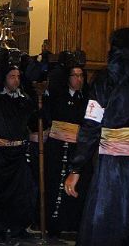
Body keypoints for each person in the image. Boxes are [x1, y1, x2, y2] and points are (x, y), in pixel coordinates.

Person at [65, 28, 129, 246]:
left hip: (114, 166)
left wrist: (76, 168)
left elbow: (91, 126)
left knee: (110, 218)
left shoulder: (106, 79)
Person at [0, 65, 37, 242]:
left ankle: (18, 227)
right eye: (12, 76)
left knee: (21, 192)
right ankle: (0, 228)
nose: (16, 80)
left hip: (17, 151)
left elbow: (31, 120)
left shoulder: (24, 99)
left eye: (18, 76)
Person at [44, 63, 91, 239]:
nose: (79, 79)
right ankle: (53, 224)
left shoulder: (86, 98)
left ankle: (74, 223)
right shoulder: (58, 97)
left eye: (81, 76)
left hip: (77, 148)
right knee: (56, 182)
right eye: (75, 75)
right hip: (57, 147)